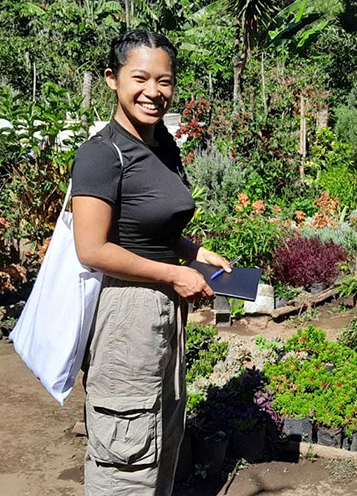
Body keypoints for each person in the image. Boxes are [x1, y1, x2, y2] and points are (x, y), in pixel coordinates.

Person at [70, 30, 229, 495]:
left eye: (164, 80)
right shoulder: (102, 153)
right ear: (111, 79)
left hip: (165, 307)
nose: (153, 91)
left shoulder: (162, 145)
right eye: (139, 78)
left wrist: (193, 253)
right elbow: (92, 249)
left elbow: (152, 228)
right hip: (125, 312)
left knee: (164, 435)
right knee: (127, 449)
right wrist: (173, 273)